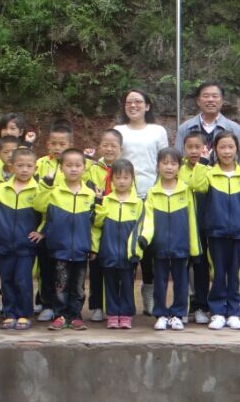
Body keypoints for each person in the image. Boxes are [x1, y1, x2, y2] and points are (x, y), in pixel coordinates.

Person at [188, 131, 240, 331]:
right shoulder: (209, 174)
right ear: (215, 150)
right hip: (216, 233)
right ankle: (218, 312)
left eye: (230, 147)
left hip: (239, 234)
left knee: (236, 274)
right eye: (222, 147)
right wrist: (202, 162)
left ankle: (234, 312)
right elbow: (196, 185)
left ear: (237, 149)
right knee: (218, 273)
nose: (227, 151)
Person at [0, 147, 42, 330]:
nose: (24, 169)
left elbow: (47, 212)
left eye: (29, 166)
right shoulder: (0, 189)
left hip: (26, 245)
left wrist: (41, 231)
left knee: (23, 280)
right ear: (11, 166)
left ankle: (23, 313)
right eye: (20, 165)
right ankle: (9, 313)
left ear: (35, 168)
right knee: (6, 280)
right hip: (4, 243)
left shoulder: (38, 190)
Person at [36, 149, 95, 331]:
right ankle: (60, 315)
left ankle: (75, 316)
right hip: (59, 249)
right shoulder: (54, 192)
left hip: (81, 250)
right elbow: (38, 205)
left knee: (78, 286)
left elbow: (94, 225)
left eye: (78, 165)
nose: (73, 169)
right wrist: (46, 185)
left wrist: (93, 246)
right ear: (61, 168)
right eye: (69, 165)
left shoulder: (90, 194)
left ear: (84, 168)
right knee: (60, 285)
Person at [92, 159, 149, 329]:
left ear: (132, 179)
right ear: (111, 180)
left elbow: (142, 228)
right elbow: (97, 223)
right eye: (118, 177)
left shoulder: (138, 203)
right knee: (109, 284)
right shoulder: (106, 200)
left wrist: (137, 251)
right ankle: (112, 314)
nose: (122, 181)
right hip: (108, 250)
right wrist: (99, 204)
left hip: (128, 252)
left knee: (127, 283)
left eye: (126, 177)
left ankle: (125, 314)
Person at [147, 147, 200, 331]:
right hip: (159, 247)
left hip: (181, 245)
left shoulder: (186, 191)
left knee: (181, 282)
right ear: (158, 166)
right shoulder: (152, 192)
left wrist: (194, 247)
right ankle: (160, 314)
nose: (169, 167)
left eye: (173, 163)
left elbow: (192, 220)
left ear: (179, 167)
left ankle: (178, 314)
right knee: (159, 282)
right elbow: (147, 220)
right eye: (165, 163)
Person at [34, 119, 74, 322]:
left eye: (62, 144)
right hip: (44, 226)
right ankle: (46, 303)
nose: (58, 148)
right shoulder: (40, 164)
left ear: (70, 145)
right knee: (46, 267)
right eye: (54, 143)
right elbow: (37, 197)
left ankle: (67, 306)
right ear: (47, 144)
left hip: (68, 226)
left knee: (65, 268)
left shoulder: (75, 165)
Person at [84, 128, 123, 322]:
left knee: (117, 268)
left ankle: (116, 306)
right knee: (96, 266)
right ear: (99, 147)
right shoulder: (92, 169)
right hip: (96, 223)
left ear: (121, 149)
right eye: (105, 145)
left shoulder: (124, 169)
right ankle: (97, 306)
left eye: (113, 146)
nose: (109, 149)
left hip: (118, 223)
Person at [175, 82, 240, 169]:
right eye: (206, 96)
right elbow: (177, 160)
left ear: (222, 101)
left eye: (215, 96)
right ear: (198, 101)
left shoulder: (235, 129)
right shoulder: (185, 128)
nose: (210, 100)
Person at [180, 131, 211, 324]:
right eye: (189, 147)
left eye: (198, 147)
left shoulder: (210, 169)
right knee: (182, 267)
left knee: (201, 267)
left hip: (203, 227)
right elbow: (188, 186)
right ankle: (182, 306)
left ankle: (201, 306)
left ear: (205, 148)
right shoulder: (178, 170)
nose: (193, 151)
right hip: (183, 226)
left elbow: (200, 186)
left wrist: (202, 166)